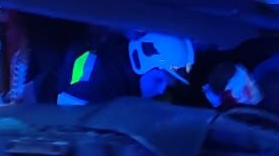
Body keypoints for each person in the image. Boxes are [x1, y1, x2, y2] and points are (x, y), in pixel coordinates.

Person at [57, 31, 195, 105]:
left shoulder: (127, 82)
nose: (162, 90)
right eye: (159, 80)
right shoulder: (98, 73)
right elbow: (69, 123)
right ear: (141, 61)